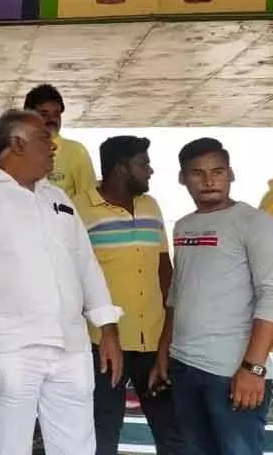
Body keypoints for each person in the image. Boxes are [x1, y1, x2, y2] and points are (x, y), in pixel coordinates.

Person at [0, 109, 123, 455]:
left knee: (77, 446)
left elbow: (86, 265)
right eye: (44, 138)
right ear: (16, 144)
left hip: (71, 346)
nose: (53, 146)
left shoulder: (58, 198)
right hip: (12, 348)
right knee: (10, 447)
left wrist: (109, 330)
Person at [151, 138, 273, 454]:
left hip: (232, 371)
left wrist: (254, 368)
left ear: (231, 174)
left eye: (217, 172)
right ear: (182, 178)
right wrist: (164, 352)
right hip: (184, 366)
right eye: (197, 173)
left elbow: (271, 295)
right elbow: (177, 294)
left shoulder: (254, 222)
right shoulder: (184, 226)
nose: (208, 181)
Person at [72, 137, 182, 455]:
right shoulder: (78, 208)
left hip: (155, 343)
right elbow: (71, 275)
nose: (150, 171)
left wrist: (169, 335)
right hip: (103, 344)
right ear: (122, 168)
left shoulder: (151, 205)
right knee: (103, 431)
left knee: (172, 429)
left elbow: (164, 269)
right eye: (143, 163)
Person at [23, 84, 95, 198]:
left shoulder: (76, 152)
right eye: (44, 114)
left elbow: (88, 199)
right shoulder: (15, 151)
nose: (51, 120)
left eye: (56, 114)